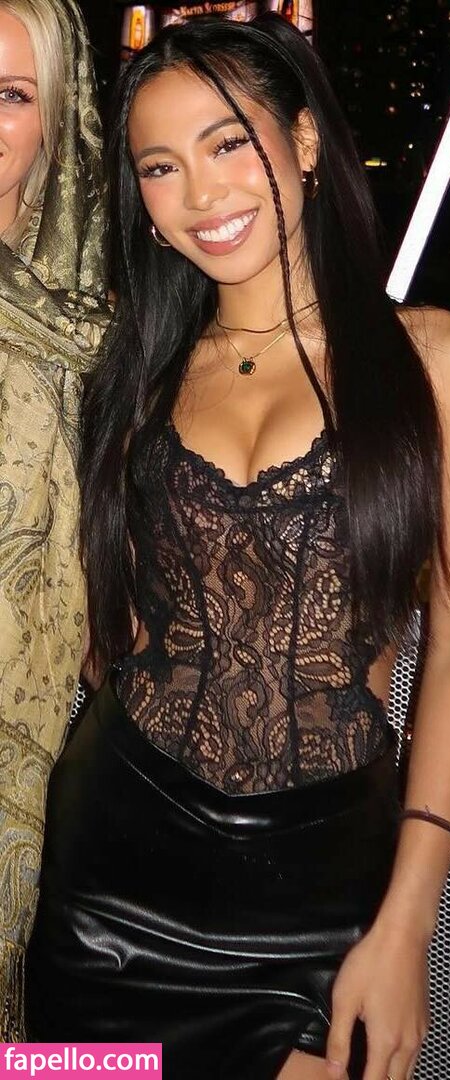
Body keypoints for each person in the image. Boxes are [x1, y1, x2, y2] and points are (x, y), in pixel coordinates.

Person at [25, 14, 450, 1080]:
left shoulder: (439, 365)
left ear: (301, 141)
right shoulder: (134, 372)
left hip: (327, 889)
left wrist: (408, 923)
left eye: (228, 142)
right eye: (160, 166)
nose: (201, 194)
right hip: (107, 882)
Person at [0, 0, 109, 1041]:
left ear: (57, 118)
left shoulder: (100, 322)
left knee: (71, 1055)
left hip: (34, 758)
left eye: (10, 94)